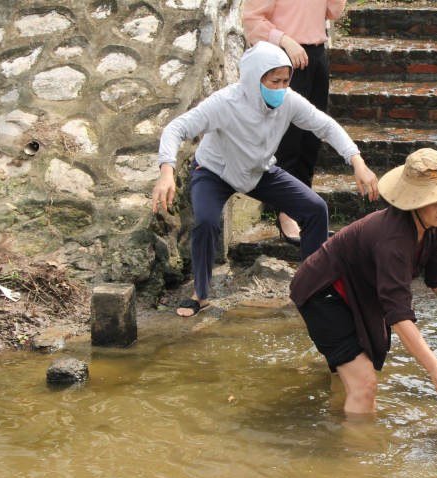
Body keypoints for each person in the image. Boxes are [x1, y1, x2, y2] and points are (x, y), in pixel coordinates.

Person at [153, 42, 378, 318]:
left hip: (258, 171)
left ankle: (312, 286)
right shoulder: (224, 102)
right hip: (214, 171)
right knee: (206, 222)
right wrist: (167, 171)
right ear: (253, 78)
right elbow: (176, 128)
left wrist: (358, 162)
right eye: (275, 81)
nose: (281, 87)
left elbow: (326, 125)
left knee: (315, 209)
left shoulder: (289, 99)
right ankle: (200, 294)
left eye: (286, 80)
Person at [290, 149, 437, 414]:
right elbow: (399, 316)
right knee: (365, 385)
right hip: (323, 293)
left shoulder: (436, 227)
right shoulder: (394, 239)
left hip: (359, 293)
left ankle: (336, 419)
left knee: (348, 377)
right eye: (436, 198)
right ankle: (355, 452)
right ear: (414, 199)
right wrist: (436, 370)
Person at [243, 0, 346, 244]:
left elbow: (333, 11)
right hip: (283, 57)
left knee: (311, 138)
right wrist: (285, 40)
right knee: (287, 138)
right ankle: (285, 212)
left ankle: (303, 208)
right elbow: (252, 20)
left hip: (317, 54)